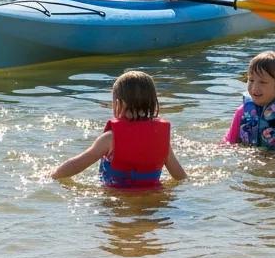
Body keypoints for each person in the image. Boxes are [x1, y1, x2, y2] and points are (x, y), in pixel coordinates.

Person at [52, 70, 187, 186]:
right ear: (153, 103)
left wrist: (54, 175)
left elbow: (77, 165)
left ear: (118, 104)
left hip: (116, 198)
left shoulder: (110, 138)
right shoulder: (161, 139)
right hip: (154, 199)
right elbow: (179, 176)